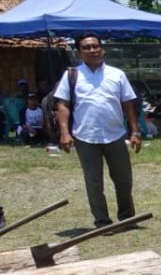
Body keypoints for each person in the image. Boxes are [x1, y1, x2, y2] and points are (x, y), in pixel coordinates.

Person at [54, 32, 143, 228]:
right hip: (85, 136)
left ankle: (127, 218)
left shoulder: (117, 74)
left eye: (95, 46)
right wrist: (64, 132)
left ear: (102, 49)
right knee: (94, 183)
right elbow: (63, 105)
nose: (92, 50)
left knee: (124, 180)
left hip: (115, 135)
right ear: (79, 52)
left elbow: (128, 104)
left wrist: (135, 131)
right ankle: (102, 222)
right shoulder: (72, 75)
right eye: (86, 47)